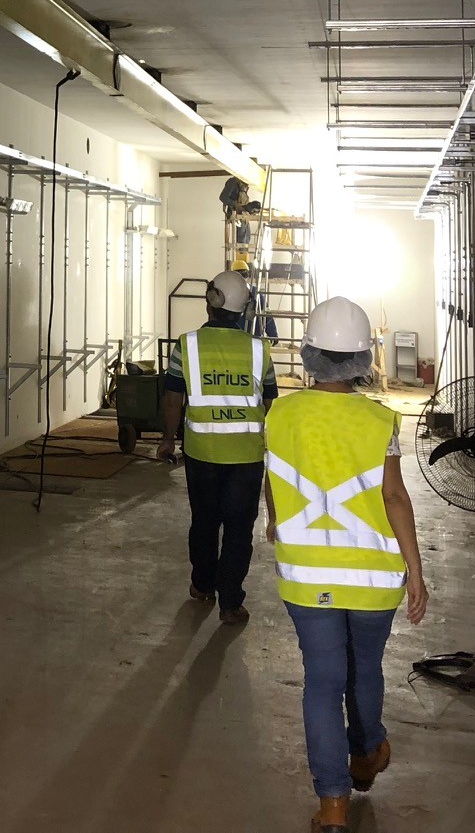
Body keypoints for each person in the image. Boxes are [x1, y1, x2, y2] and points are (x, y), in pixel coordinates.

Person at [262, 296, 431, 833]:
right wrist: (416, 570)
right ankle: (366, 753)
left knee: (322, 681)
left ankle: (332, 805)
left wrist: (274, 522)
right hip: (373, 579)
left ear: (310, 354)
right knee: (365, 668)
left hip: (307, 576)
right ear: (362, 360)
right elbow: (395, 498)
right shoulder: (380, 420)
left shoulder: (280, 413)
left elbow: (273, 478)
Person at [156, 269, 277, 624]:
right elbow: (271, 402)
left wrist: (167, 437)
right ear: (244, 310)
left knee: (204, 522)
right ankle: (230, 602)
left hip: (202, 453)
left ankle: (202, 585)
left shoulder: (187, 345)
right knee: (240, 529)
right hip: (246, 456)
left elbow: (173, 395)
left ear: (211, 302)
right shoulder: (259, 350)